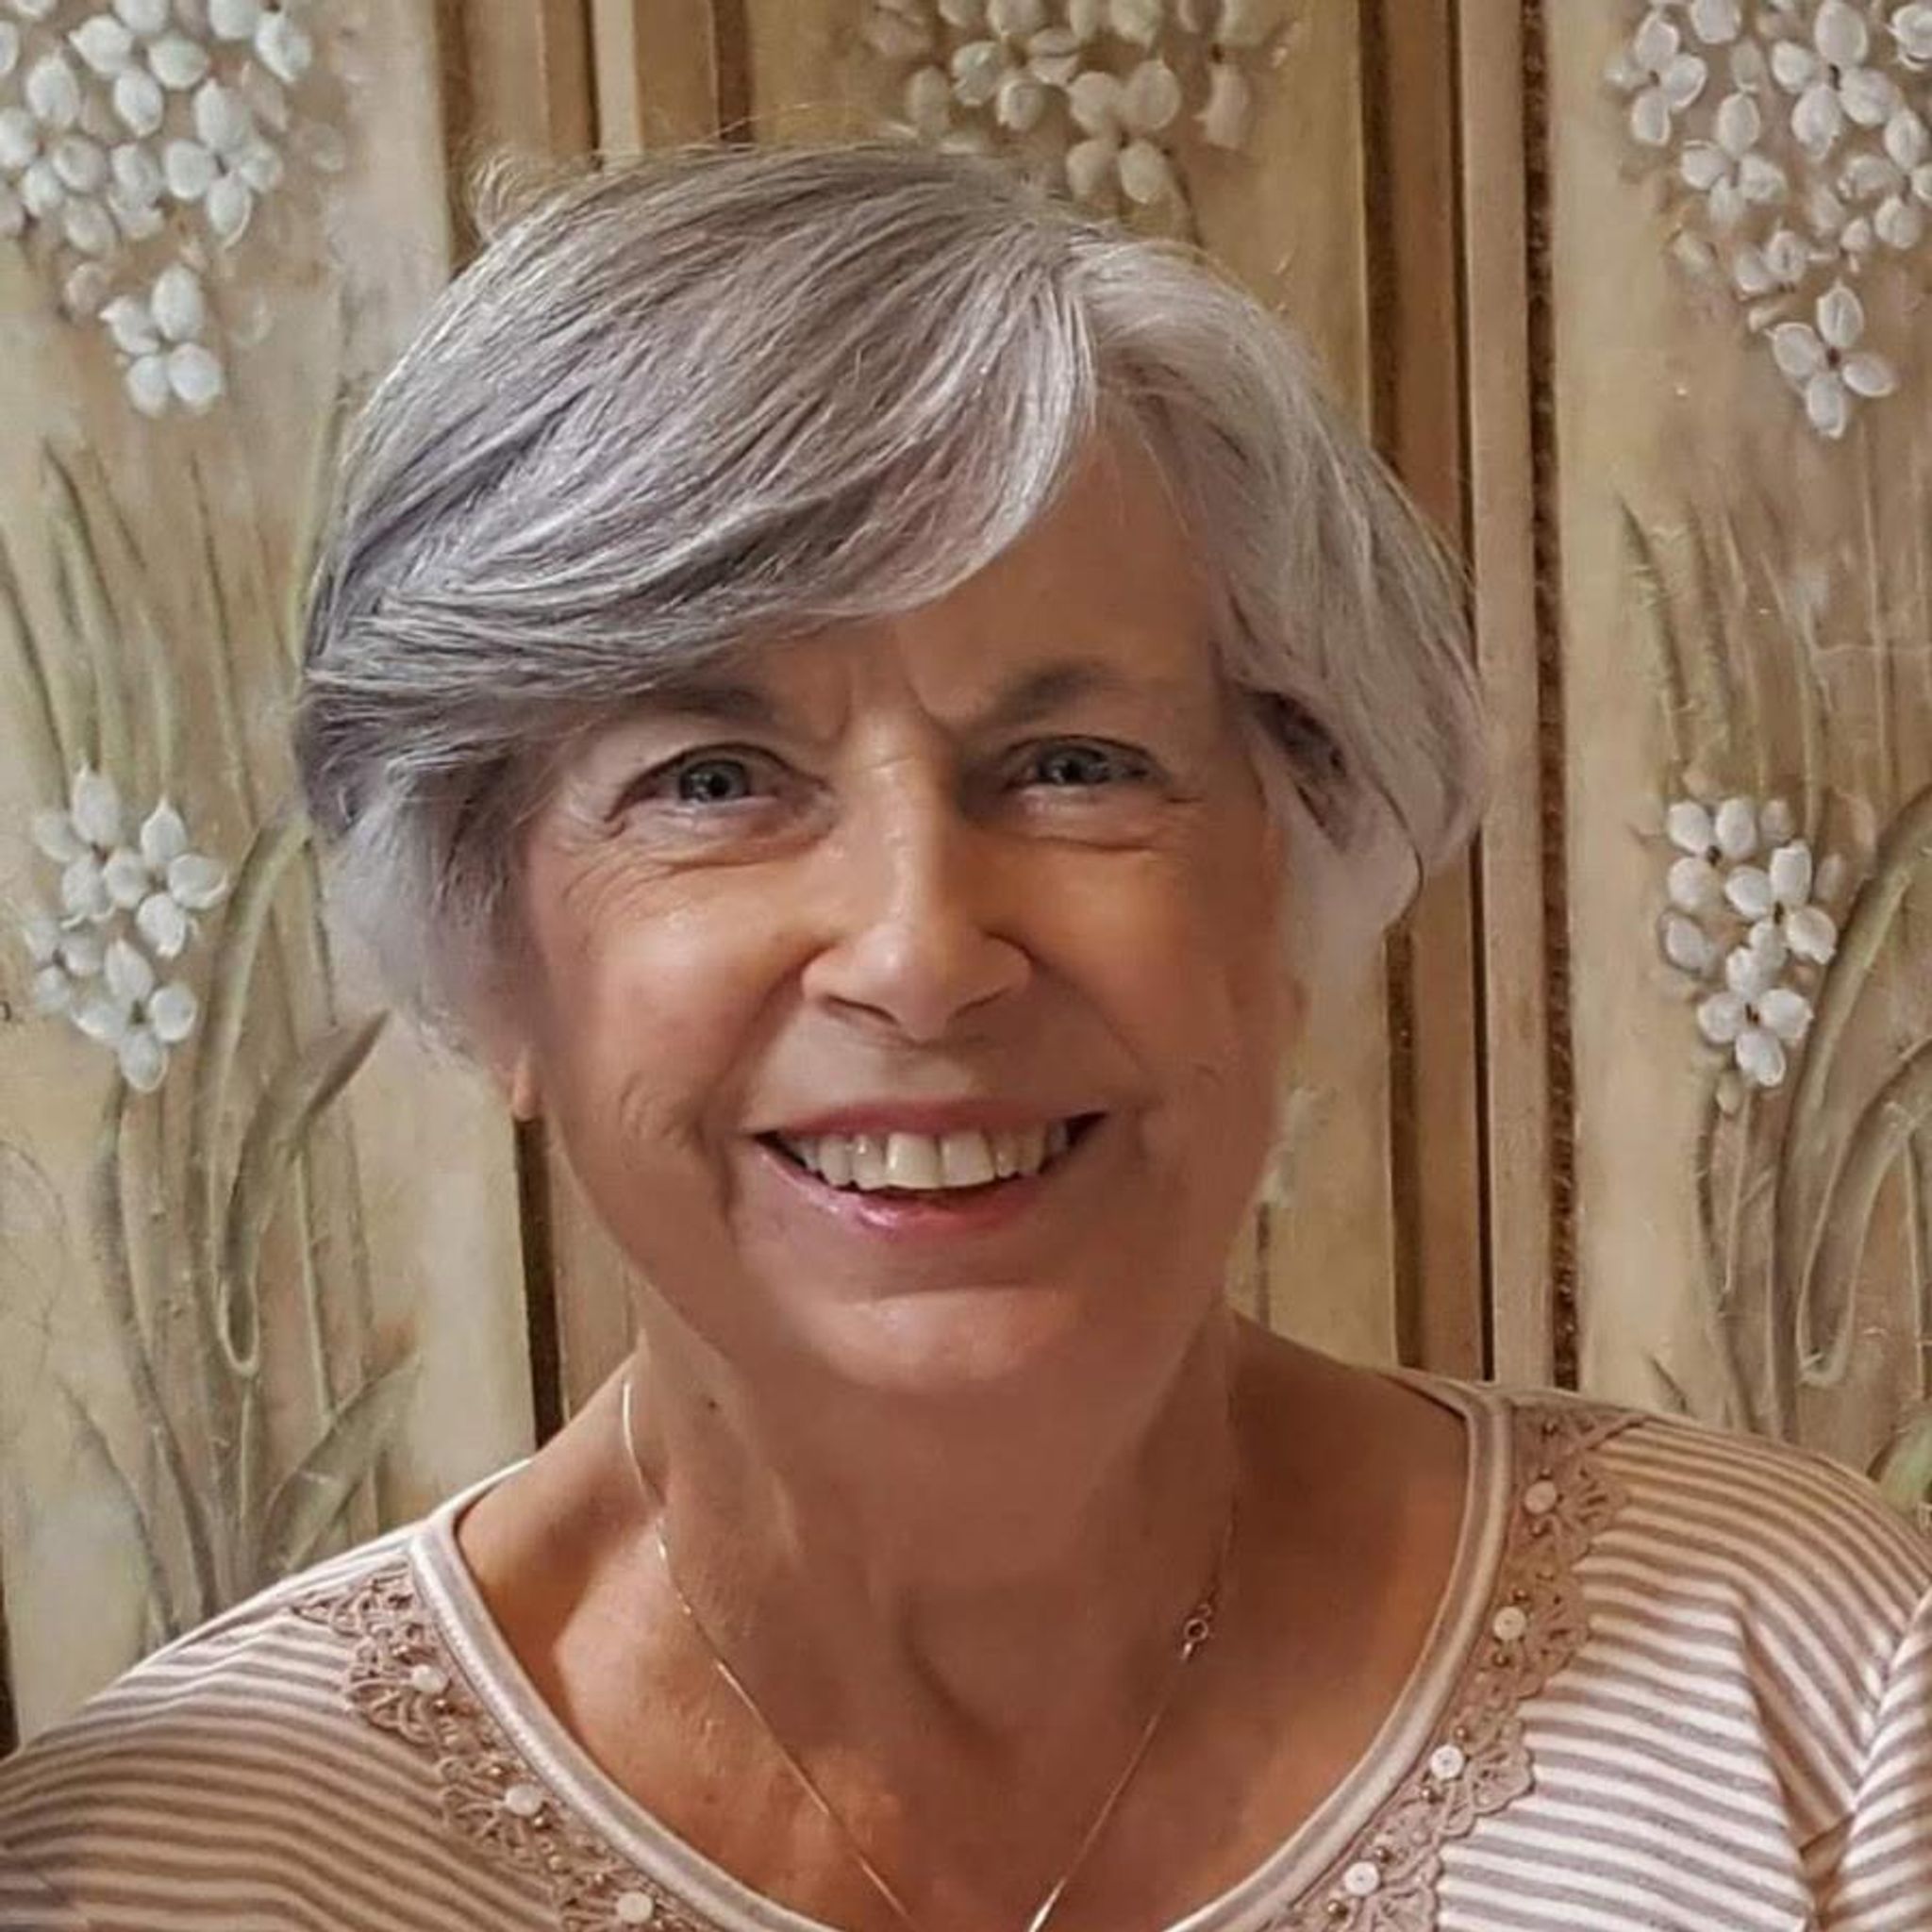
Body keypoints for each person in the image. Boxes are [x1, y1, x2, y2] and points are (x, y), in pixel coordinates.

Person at [3, 142, 1929, 1932]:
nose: (921, 957)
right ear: (492, 955)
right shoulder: (164, 1876)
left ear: (1290, 881)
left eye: (1076, 764)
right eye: (711, 779)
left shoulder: (1821, 1701)